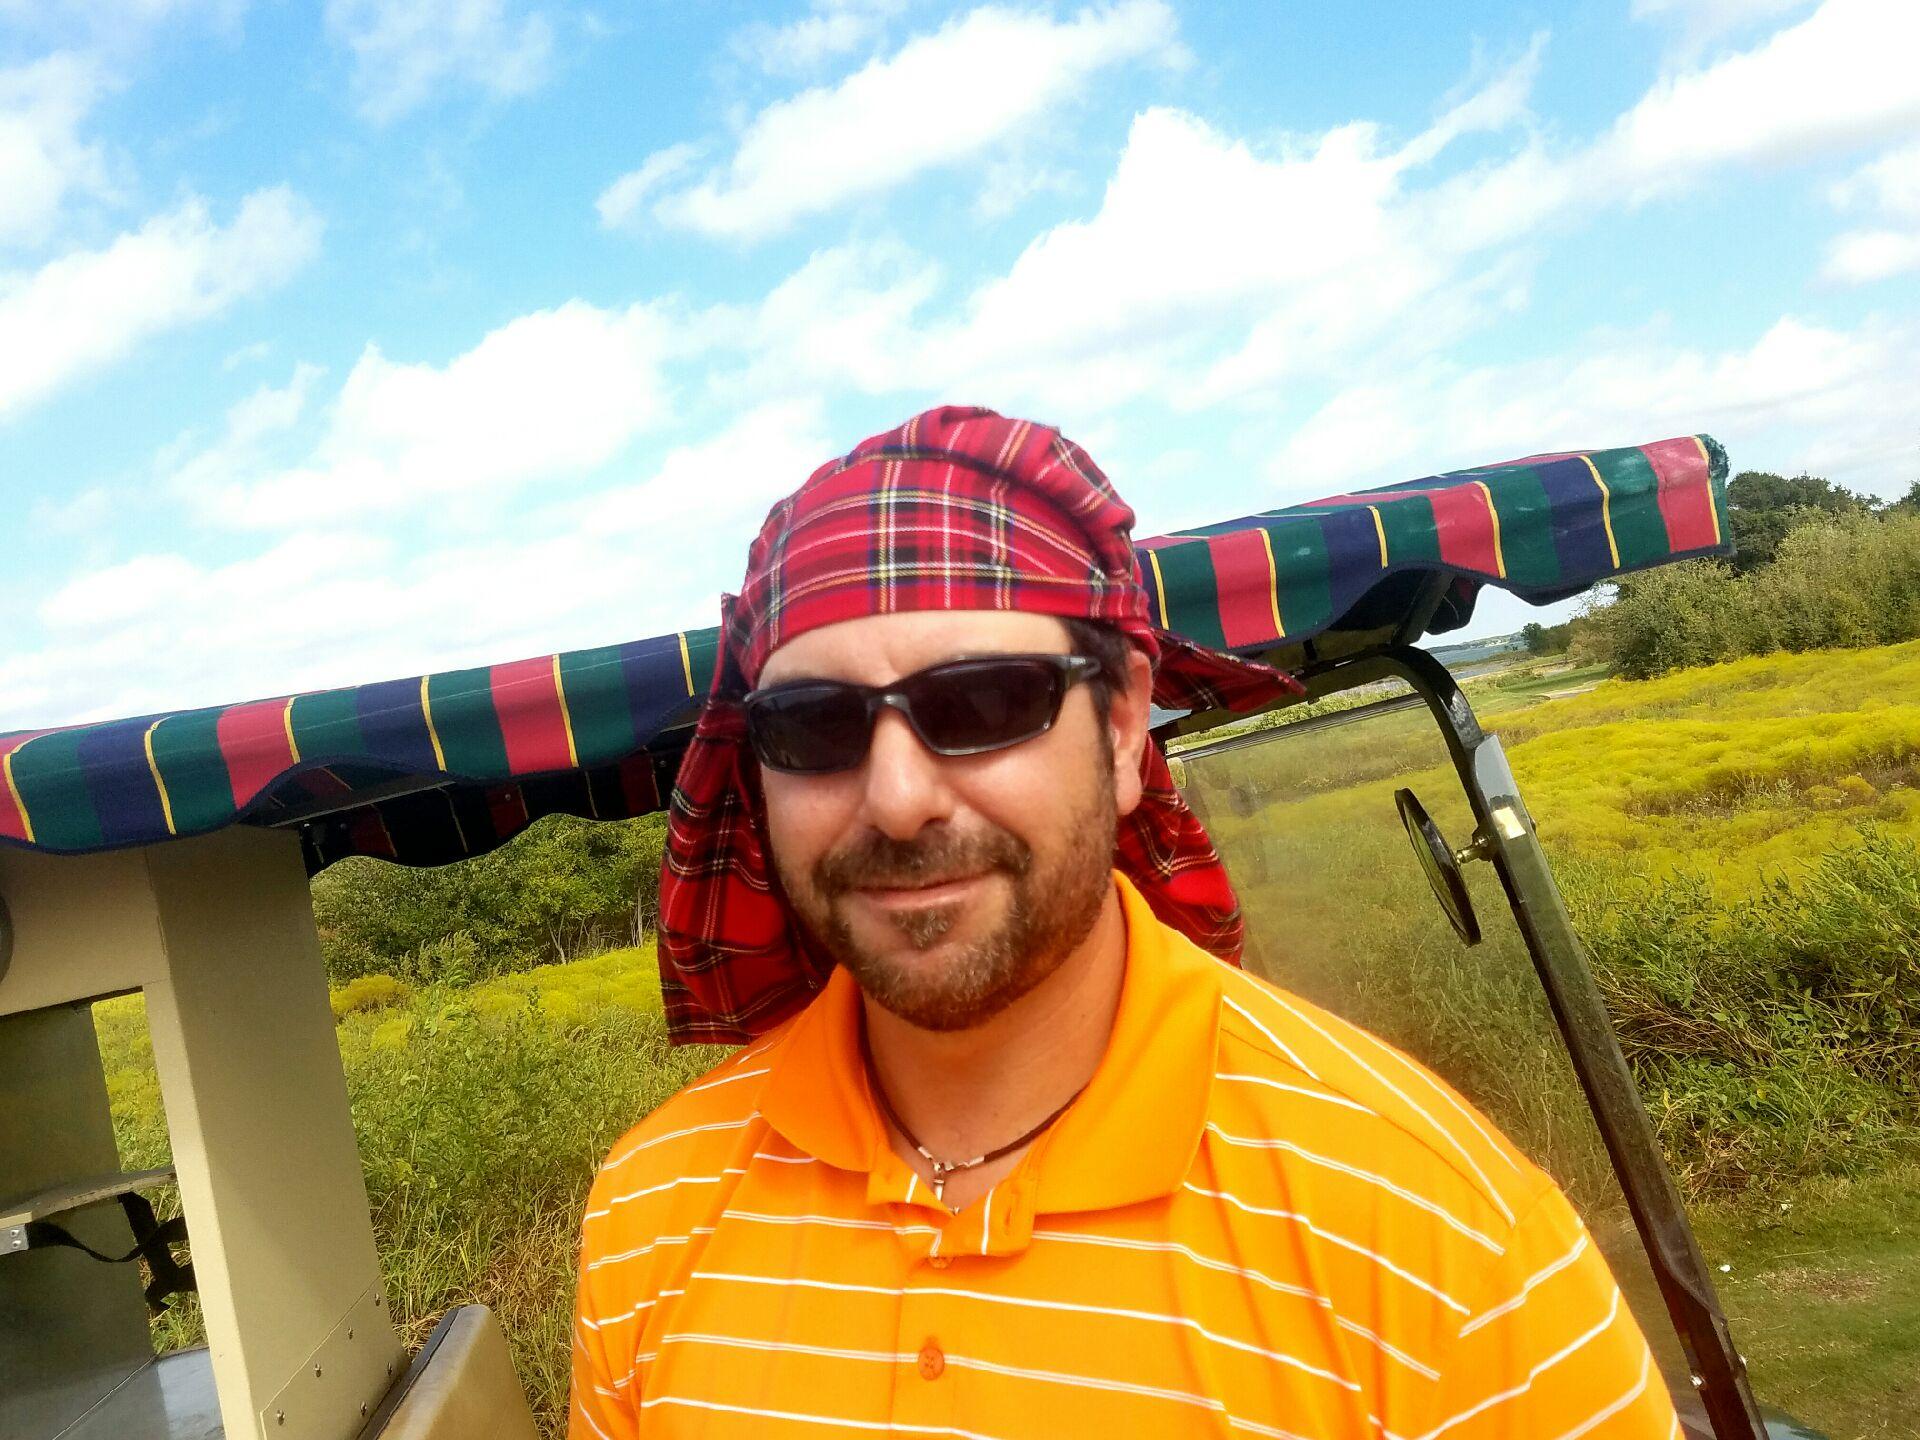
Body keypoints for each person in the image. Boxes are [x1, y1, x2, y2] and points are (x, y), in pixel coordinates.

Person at [569, 406, 1678, 1438]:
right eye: (813, 726)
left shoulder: (1442, 1242)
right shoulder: (652, 1209)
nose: (897, 800)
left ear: (1120, 728)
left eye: (984, 702)